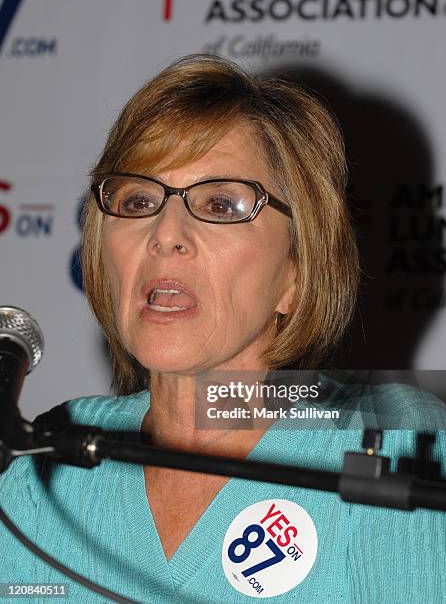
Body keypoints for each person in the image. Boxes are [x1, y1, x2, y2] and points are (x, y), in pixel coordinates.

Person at [1, 54, 445, 603]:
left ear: (295, 273)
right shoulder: (44, 459)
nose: (165, 233)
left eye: (220, 203)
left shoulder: (392, 438)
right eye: (138, 200)